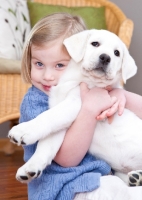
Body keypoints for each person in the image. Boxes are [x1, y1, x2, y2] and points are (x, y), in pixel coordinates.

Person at [19, 12, 142, 200]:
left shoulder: (98, 88)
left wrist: (122, 94)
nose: (48, 76)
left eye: (60, 65)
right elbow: (65, 157)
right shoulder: (37, 102)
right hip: (72, 183)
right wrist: (89, 109)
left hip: (110, 172)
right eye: (39, 64)